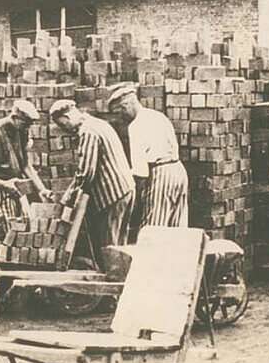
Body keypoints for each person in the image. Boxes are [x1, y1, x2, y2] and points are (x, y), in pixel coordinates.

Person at [49, 100, 135, 253]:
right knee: (120, 245)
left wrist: (67, 198)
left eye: (63, 125)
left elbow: (86, 172)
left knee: (110, 246)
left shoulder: (88, 131)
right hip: (125, 189)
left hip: (112, 194)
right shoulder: (98, 123)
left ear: (68, 116)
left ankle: (112, 275)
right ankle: (120, 274)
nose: (65, 130)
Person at [107, 84, 189, 228]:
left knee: (153, 228)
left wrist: (133, 201)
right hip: (178, 171)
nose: (120, 117)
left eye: (119, 112)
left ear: (126, 105)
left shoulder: (136, 126)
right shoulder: (157, 116)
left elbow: (141, 172)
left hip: (160, 174)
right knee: (177, 227)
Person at [0, 99, 52, 226]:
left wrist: (41, 189)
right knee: (3, 229)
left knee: (22, 226)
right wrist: (3, 184)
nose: (28, 128)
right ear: (14, 117)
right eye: (26, 124)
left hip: (16, 186)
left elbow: (25, 165)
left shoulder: (22, 131)